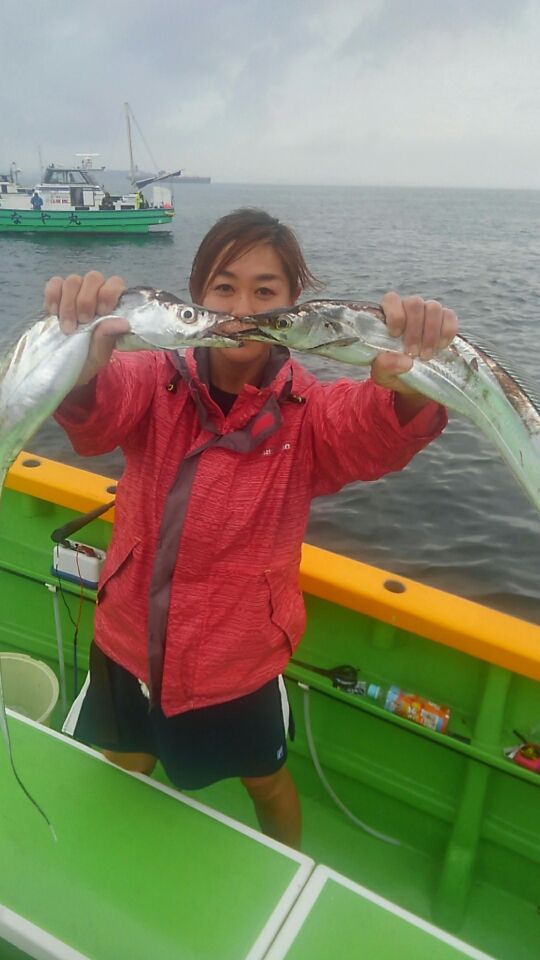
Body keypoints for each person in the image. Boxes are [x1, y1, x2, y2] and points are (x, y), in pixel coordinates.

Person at [45, 208, 457, 849]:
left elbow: (371, 430)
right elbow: (97, 420)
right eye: (224, 287)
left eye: (265, 291)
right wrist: (82, 369)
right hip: (127, 641)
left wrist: (412, 388)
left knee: (265, 781)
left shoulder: (308, 412)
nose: (241, 309)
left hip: (238, 663)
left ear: (294, 304)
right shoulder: (152, 377)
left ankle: (287, 864)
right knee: (124, 763)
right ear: (196, 297)